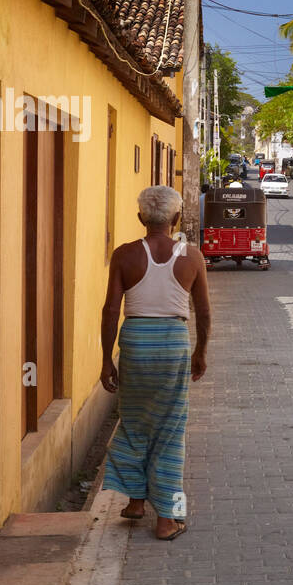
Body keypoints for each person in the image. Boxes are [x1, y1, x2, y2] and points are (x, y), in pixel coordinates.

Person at [99, 185, 211, 541]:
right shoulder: (192, 257)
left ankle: (135, 502)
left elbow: (111, 310)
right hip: (173, 344)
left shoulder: (124, 255)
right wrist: (201, 350)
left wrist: (106, 359)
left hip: (135, 343)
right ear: (176, 218)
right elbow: (204, 311)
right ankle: (167, 519)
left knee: (134, 422)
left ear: (141, 218)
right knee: (170, 430)